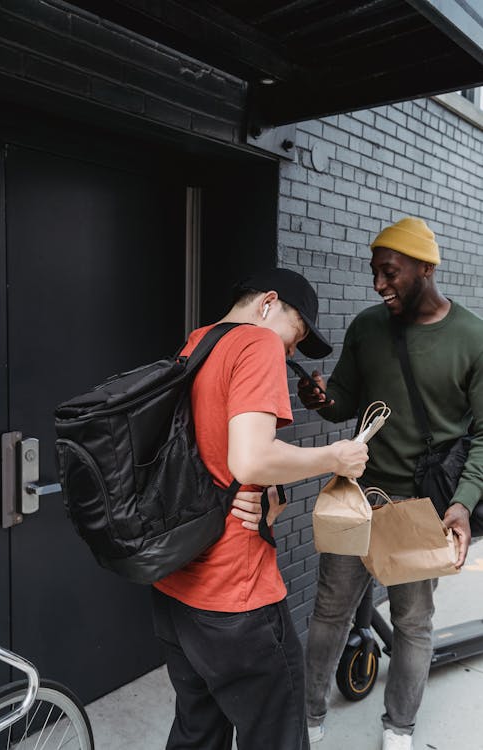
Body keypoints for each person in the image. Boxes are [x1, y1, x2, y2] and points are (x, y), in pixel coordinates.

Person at [151, 267, 369, 750]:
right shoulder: (257, 342)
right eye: (297, 336)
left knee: (196, 729)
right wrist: (335, 456)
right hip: (236, 594)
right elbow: (249, 456)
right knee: (277, 735)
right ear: (268, 303)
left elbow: (204, 455)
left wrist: (269, 493)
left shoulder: (197, 343)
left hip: (175, 585)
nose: (290, 351)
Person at [299, 217, 483, 750]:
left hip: (419, 509)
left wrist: (464, 505)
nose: (378, 284)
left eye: (390, 272)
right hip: (355, 496)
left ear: (426, 268)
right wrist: (320, 400)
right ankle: (309, 718)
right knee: (329, 614)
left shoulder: (472, 338)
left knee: (412, 623)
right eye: (374, 272)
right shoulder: (366, 327)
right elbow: (342, 402)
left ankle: (398, 729)